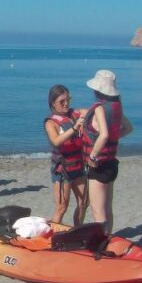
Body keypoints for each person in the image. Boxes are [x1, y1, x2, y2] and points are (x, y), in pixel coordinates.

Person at [81, 70, 133, 234]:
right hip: (111, 163)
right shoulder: (116, 107)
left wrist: (92, 155)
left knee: (98, 212)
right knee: (108, 209)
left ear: (97, 90)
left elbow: (103, 135)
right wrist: (114, 138)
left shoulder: (99, 108)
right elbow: (129, 128)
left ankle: (101, 246)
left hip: (99, 165)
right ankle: (108, 239)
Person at [44, 85, 87, 225]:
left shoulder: (75, 113)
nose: (66, 103)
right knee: (62, 207)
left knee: (83, 203)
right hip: (63, 171)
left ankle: (77, 230)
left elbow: (93, 111)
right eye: (62, 101)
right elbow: (56, 141)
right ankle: (52, 237)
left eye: (68, 99)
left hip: (79, 167)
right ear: (53, 103)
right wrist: (74, 128)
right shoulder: (51, 123)